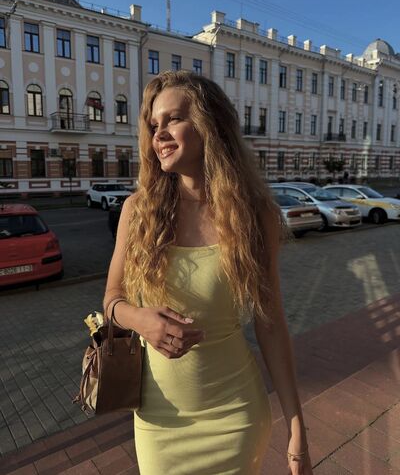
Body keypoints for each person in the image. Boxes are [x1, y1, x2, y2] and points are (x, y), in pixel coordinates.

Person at [103, 70, 313, 475]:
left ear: (209, 125)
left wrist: (296, 424)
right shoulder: (138, 211)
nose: (160, 134)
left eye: (174, 119)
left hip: (235, 415)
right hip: (160, 420)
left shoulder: (256, 215)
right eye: (153, 125)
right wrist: (139, 319)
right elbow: (112, 299)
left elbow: (271, 325)